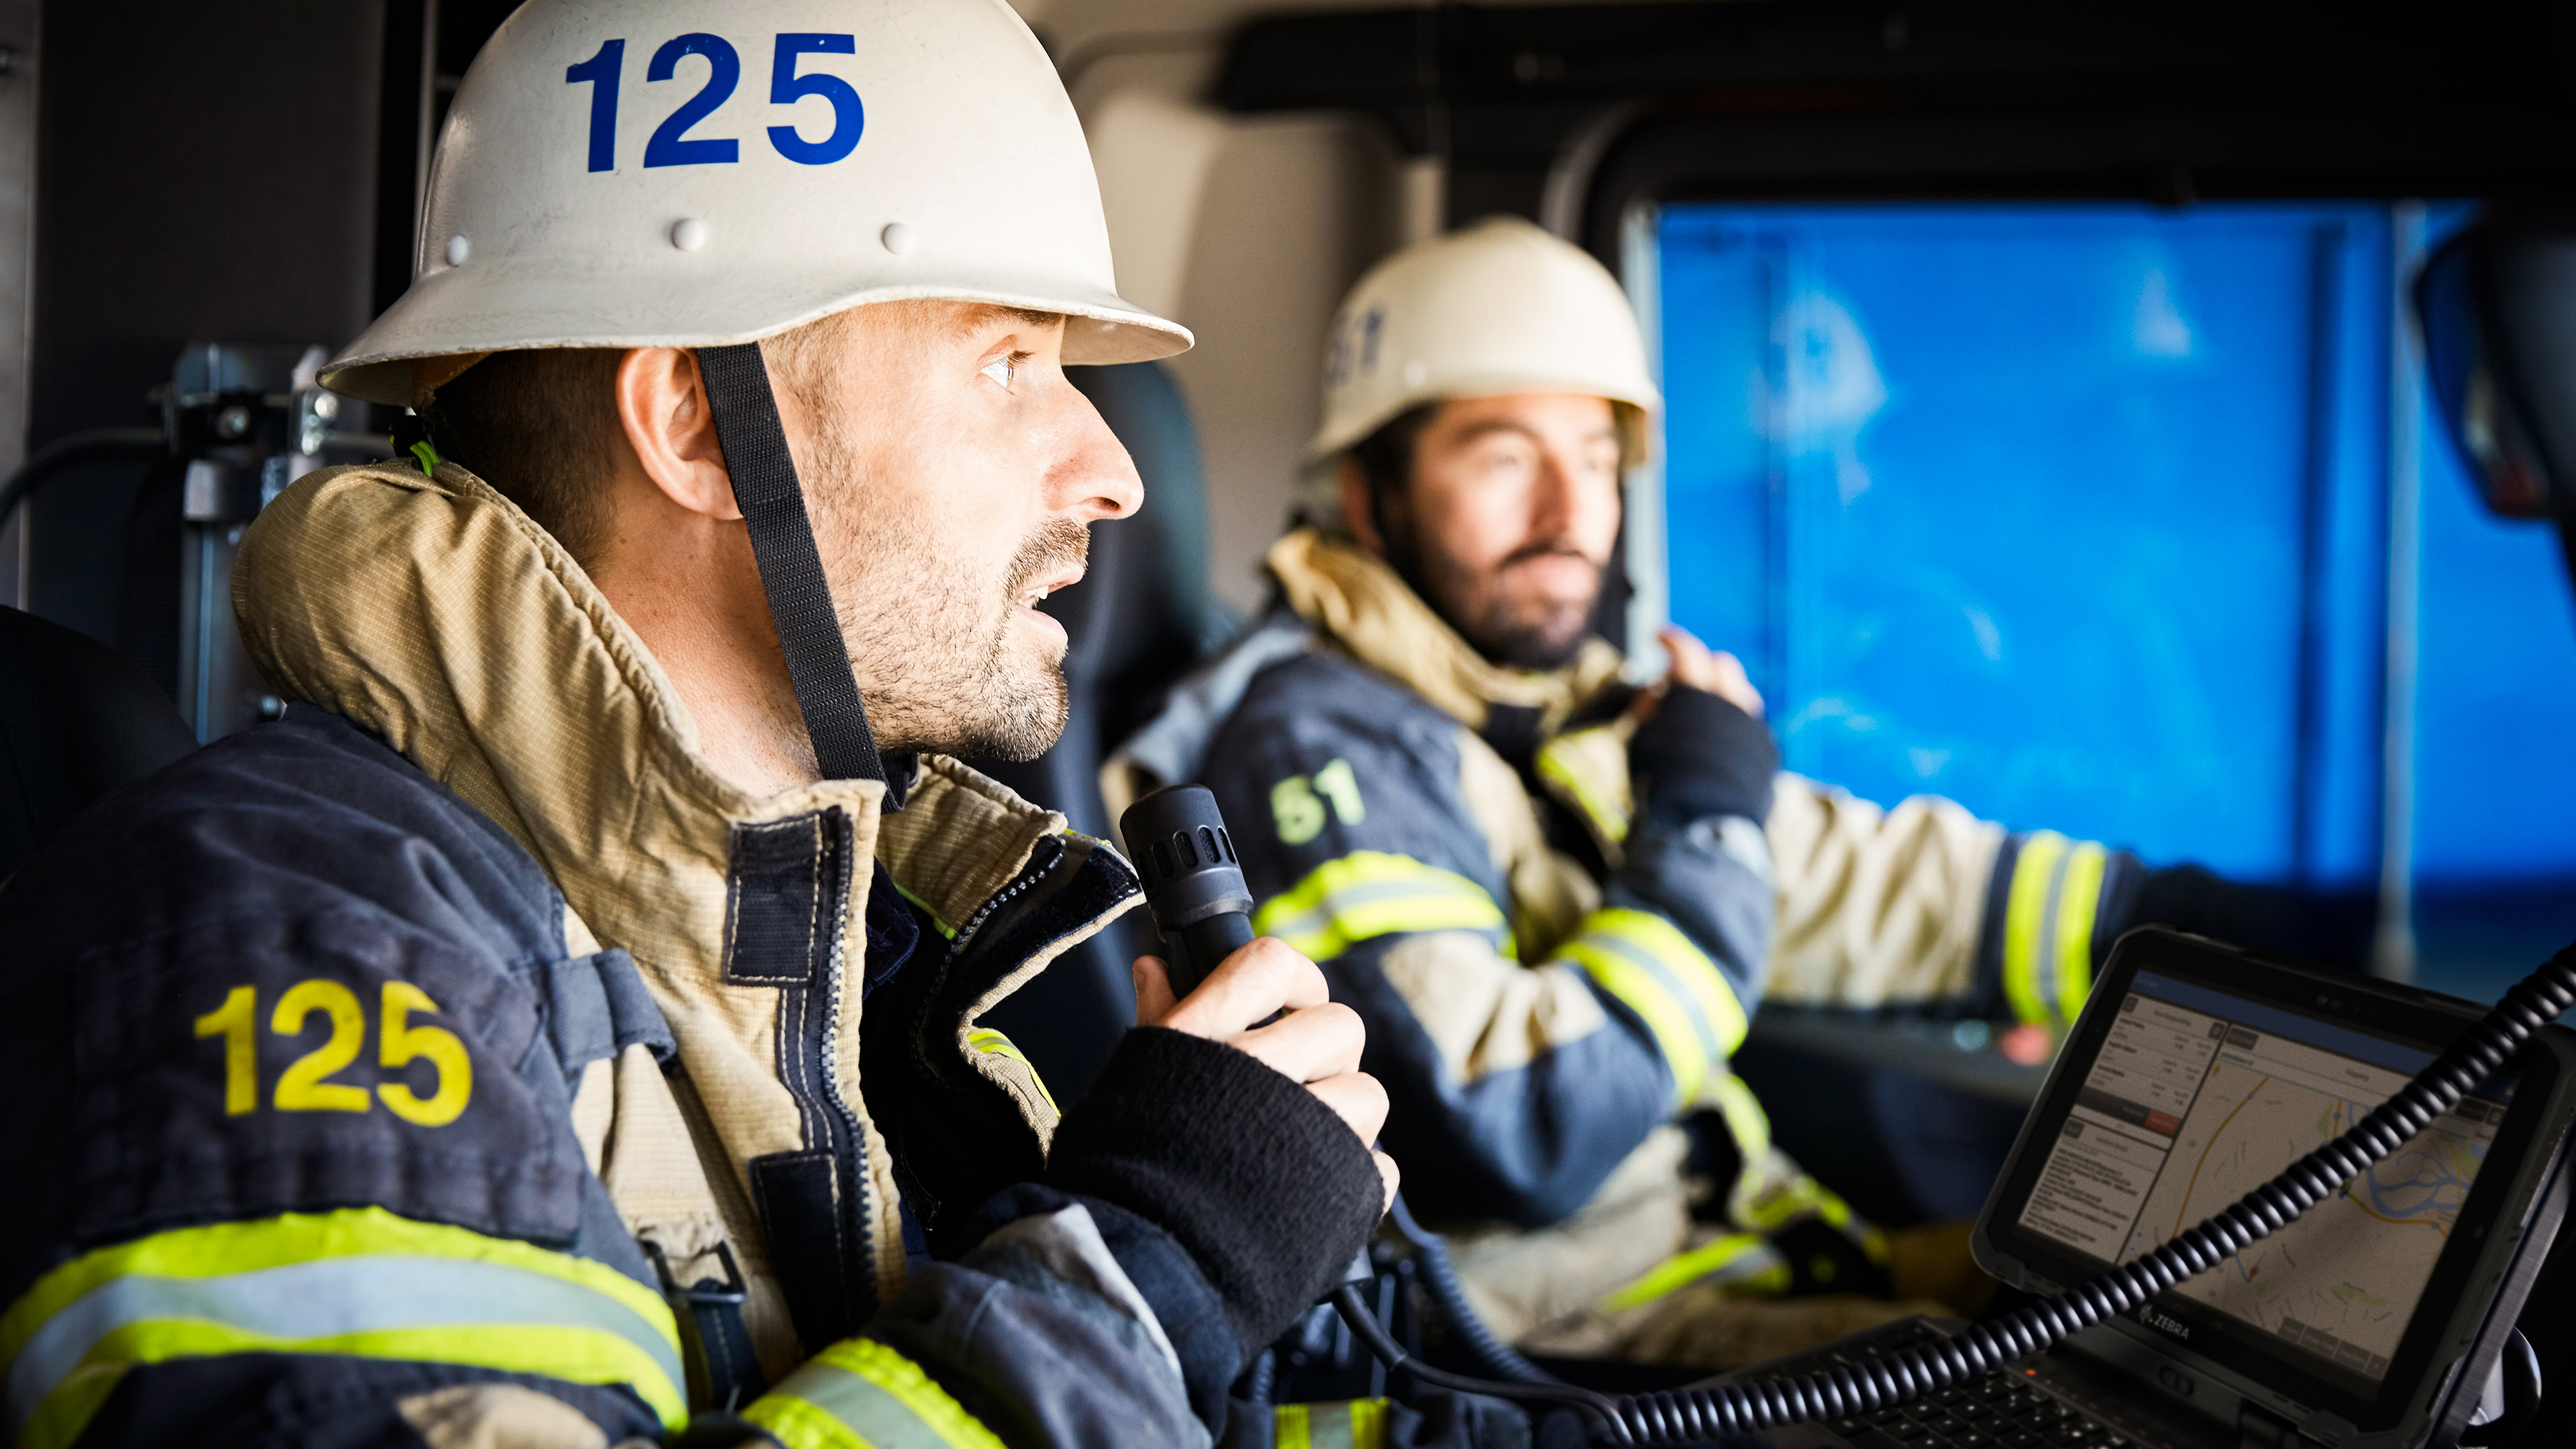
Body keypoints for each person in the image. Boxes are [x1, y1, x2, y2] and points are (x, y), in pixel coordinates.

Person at [0, 5, 1427, 1447]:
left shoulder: (839, 966)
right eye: (1009, 364)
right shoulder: (291, 938)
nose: (1113, 472)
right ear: (695, 420)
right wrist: (1149, 1269)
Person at [1104, 218, 2271, 1370]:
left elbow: (1836, 877)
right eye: (1505, 457)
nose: (1569, 516)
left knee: (2181, 1315)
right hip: (1556, 1351)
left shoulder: (1531, 700)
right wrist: (1705, 824)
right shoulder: (1314, 745)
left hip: (1738, 1253)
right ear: (1369, 495)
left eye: (1598, 460)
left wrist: (2165, 917)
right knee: (2108, 1389)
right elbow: (1511, 1123)